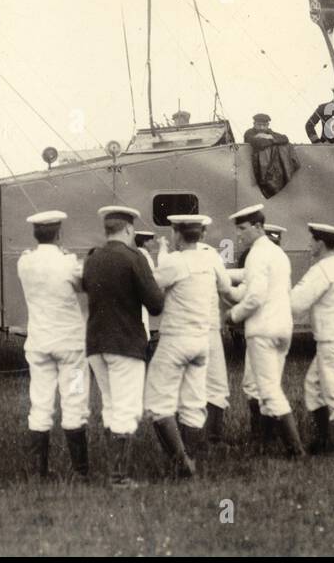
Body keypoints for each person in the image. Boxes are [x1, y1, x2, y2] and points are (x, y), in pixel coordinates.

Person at [144, 214, 236, 477]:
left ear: (176, 234)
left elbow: (152, 284)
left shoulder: (175, 261)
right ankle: (191, 457)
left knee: (157, 402)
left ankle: (181, 460)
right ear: (201, 234)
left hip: (176, 339)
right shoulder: (211, 259)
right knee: (193, 403)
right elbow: (226, 286)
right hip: (201, 340)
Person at [82, 205, 165, 489]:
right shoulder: (135, 257)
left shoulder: (92, 258)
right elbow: (156, 305)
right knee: (127, 409)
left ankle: (112, 470)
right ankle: (119, 477)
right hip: (125, 342)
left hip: (95, 343)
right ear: (129, 229)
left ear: (107, 230)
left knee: (110, 404)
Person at [226, 205, 306, 457]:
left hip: (263, 329)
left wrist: (233, 315)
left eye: (243, 228)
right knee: (259, 384)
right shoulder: (276, 253)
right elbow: (249, 280)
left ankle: (295, 449)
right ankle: (264, 441)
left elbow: (254, 297)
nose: (239, 234)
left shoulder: (256, 254)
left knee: (267, 389)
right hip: (282, 327)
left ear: (258, 227)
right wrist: (220, 277)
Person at [15, 210, 90, 481]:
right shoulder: (68, 263)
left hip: (39, 343)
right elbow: (84, 285)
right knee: (75, 401)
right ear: (59, 233)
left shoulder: (25, 262)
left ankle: (39, 472)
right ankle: (80, 471)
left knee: (40, 404)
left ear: (36, 234)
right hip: (71, 345)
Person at [290, 223, 334, 454]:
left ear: (320, 243)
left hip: (329, 339)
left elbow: (296, 304)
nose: (308, 245)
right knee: (314, 385)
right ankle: (324, 441)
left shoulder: (321, 270)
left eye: (311, 240)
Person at [134, 230, 162, 361]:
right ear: (145, 242)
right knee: (144, 324)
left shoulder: (135, 255)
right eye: (151, 241)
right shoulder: (145, 257)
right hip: (142, 299)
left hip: (136, 299)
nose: (153, 244)